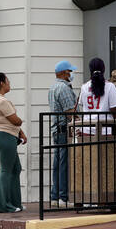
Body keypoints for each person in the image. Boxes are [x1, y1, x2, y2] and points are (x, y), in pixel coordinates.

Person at [0, 70, 25, 213]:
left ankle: (15, 203)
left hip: (5, 135)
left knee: (15, 169)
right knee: (6, 170)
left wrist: (20, 132)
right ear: (2, 83)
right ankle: (3, 205)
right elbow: (15, 120)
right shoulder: (0, 100)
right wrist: (20, 122)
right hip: (5, 137)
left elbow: (10, 122)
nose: (9, 84)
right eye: (8, 81)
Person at [47, 60, 77, 207]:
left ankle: (55, 196)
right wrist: (79, 121)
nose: (71, 74)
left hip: (56, 129)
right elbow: (70, 112)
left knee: (57, 163)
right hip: (64, 129)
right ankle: (63, 197)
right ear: (65, 73)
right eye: (70, 71)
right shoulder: (64, 88)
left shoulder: (53, 87)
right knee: (64, 163)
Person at [75, 57, 116, 136]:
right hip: (105, 130)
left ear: (90, 70)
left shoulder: (84, 87)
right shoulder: (110, 86)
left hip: (87, 129)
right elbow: (115, 109)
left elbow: (83, 106)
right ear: (104, 69)